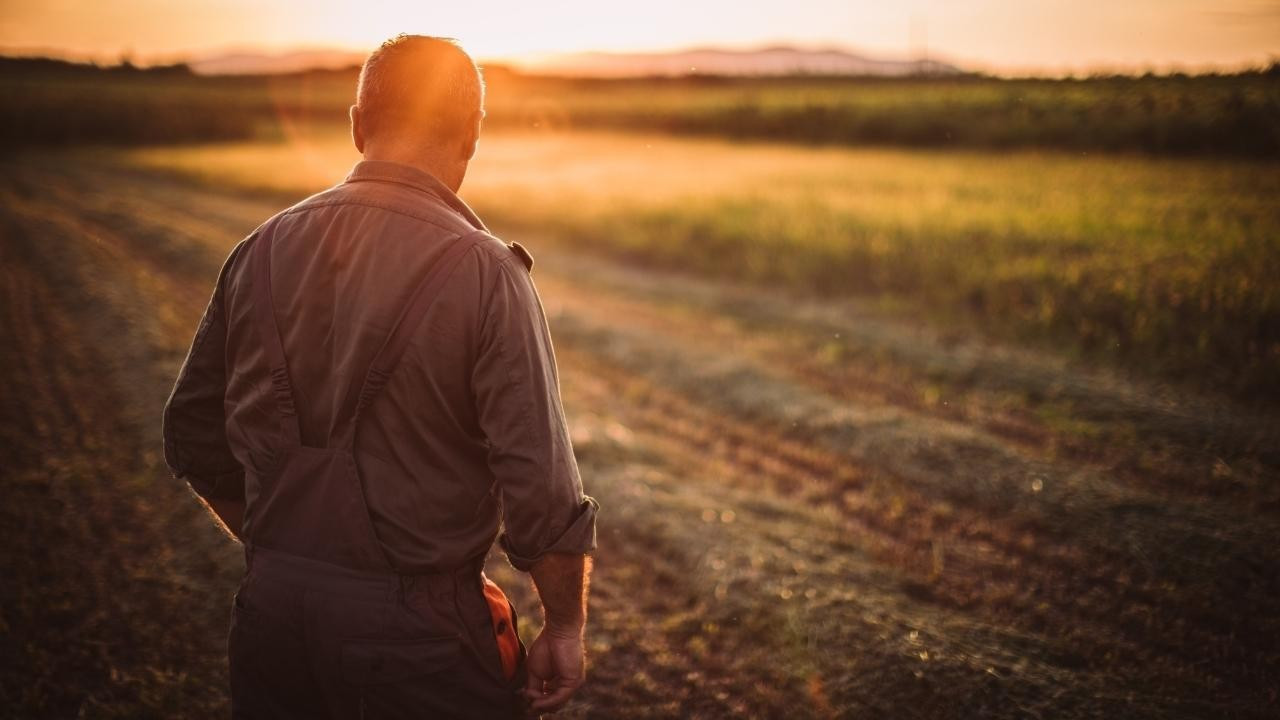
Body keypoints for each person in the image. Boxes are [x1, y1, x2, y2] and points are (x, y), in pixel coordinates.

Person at [162, 35, 598, 718]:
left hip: (271, 619)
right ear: (472, 136)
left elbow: (191, 433)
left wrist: (293, 555)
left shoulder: (260, 248)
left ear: (358, 126)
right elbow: (539, 487)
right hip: (421, 644)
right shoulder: (487, 273)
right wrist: (566, 628)